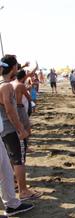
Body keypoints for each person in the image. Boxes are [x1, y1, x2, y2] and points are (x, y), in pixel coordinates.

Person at [0, 55, 42, 201]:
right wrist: (21, 129)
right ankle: (23, 191)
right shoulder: (5, 86)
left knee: (12, 158)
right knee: (19, 159)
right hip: (10, 128)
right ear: (14, 68)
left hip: (4, 129)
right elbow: (10, 110)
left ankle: (17, 185)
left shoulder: (2, 83)